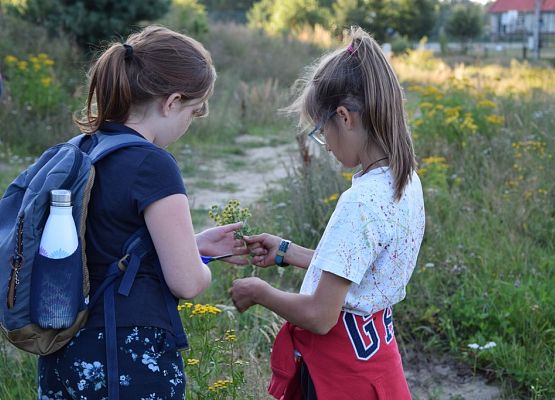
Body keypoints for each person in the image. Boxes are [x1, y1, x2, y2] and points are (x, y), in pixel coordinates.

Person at [38, 26, 248, 399]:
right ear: (172, 102)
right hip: (127, 355)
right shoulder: (153, 164)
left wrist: (193, 244)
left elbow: (107, 243)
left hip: (64, 350)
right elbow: (186, 282)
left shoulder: (82, 149)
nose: (191, 122)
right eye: (194, 110)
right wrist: (198, 266)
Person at [230, 27, 425, 400]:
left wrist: (260, 291)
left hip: (338, 376)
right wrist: (288, 252)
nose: (326, 145)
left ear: (345, 117)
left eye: (322, 131)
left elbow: (321, 316)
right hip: (377, 363)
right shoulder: (405, 180)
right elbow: (360, 266)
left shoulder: (360, 202)